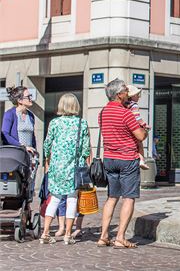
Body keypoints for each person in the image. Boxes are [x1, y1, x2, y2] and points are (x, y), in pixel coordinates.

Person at [98, 79, 147, 249]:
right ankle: (120, 237)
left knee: (112, 197)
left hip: (110, 159)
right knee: (128, 198)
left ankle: (103, 236)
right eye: (125, 90)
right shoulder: (126, 114)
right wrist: (145, 129)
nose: (128, 93)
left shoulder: (103, 113)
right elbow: (140, 136)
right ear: (119, 94)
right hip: (127, 159)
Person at [40, 93, 90, 244]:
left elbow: (47, 144)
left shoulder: (54, 123)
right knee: (72, 199)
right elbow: (85, 148)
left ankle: (46, 233)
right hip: (74, 167)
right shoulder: (81, 123)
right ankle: (68, 234)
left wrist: (48, 159)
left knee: (54, 198)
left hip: (57, 167)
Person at [2, 86, 37, 154]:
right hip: (15, 155)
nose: (30, 98)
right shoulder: (10, 114)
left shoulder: (30, 115)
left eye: (30, 96)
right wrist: (21, 146)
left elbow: (32, 137)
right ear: (19, 100)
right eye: (28, 96)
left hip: (28, 155)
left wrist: (35, 152)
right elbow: (5, 134)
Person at [124, 85, 150, 170]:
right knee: (140, 144)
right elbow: (137, 117)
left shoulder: (125, 105)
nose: (139, 97)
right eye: (137, 95)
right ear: (132, 96)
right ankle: (142, 160)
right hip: (135, 128)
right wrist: (145, 125)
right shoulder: (134, 105)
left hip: (127, 129)